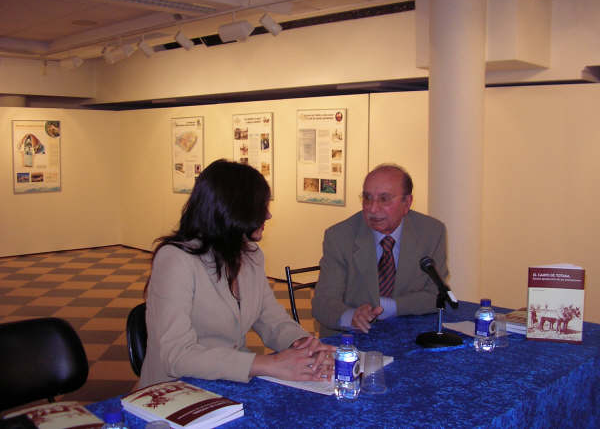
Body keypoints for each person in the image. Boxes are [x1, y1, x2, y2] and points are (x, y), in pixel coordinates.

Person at [139, 159, 335, 388]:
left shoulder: (250, 254)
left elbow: (270, 317)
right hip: (175, 390)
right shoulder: (176, 260)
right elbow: (177, 356)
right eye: (261, 206)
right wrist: (267, 364)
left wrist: (302, 343)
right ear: (234, 211)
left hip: (227, 383)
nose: (268, 215)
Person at [312, 164, 448, 337]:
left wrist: (391, 307)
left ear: (407, 203)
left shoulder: (431, 232)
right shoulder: (340, 236)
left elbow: (437, 295)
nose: (373, 209)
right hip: (352, 340)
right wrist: (351, 316)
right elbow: (323, 303)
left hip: (409, 335)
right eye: (367, 198)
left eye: (384, 199)